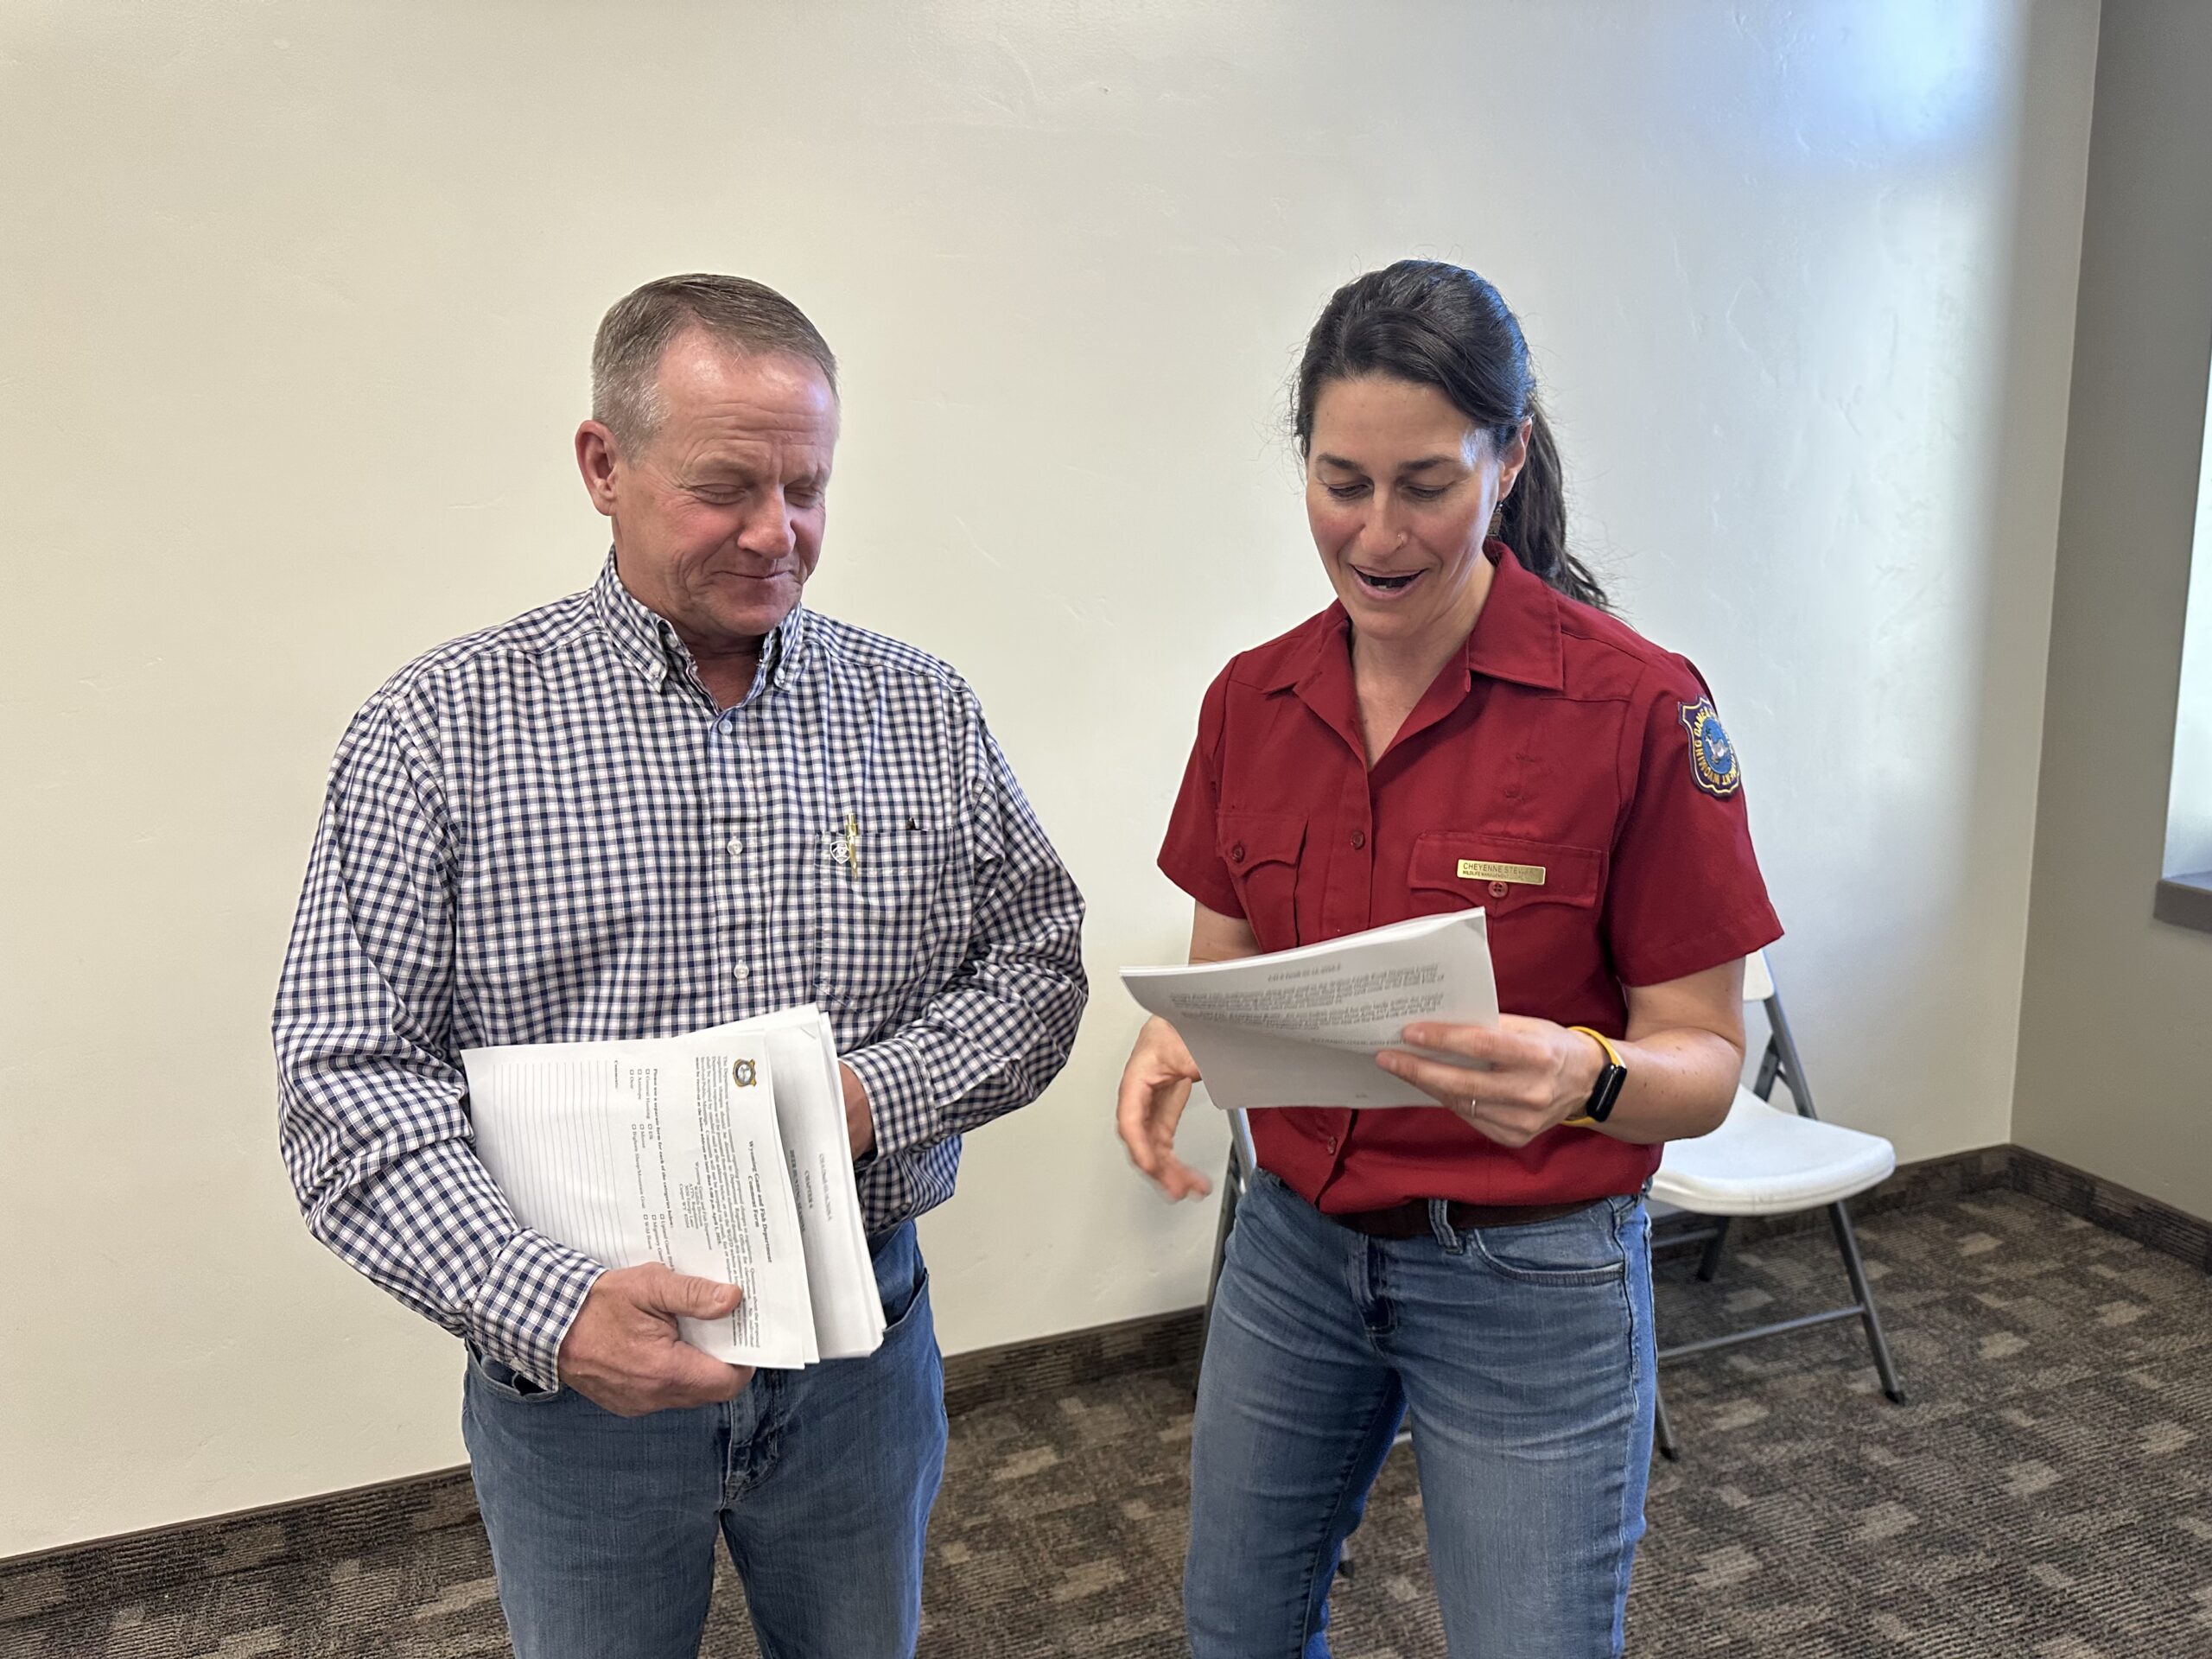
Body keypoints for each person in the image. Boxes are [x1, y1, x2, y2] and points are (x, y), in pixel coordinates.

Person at [274, 274, 1088, 1659]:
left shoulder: (917, 709)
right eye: (725, 489)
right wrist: (549, 1310)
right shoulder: (438, 734)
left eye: (808, 489)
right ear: (604, 466)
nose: (778, 532)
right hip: (576, 1385)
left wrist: (866, 1097)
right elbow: (345, 1084)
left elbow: (1037, 968)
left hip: (858, 1350)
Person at [1116, 260, 1783, 1658]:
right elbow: (1226, 957)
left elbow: (1709, 1064)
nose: (1376, 534)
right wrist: (1180, 1032)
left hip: (1530, 1272)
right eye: (1340, 482)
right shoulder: (1253, 699)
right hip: (1297, 1252)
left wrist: (1588, 1075)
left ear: (1509, 456)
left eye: (1426, 485)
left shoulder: (1636, 708)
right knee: (1235, 1629)